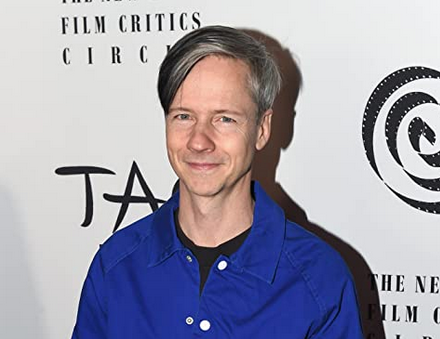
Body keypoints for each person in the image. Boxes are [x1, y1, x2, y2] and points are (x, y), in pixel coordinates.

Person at [71, 25, 363, 338]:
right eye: (183, 116)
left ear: (262, 129)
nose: (199, 141)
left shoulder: (319, 279)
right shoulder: (115, 266)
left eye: (224, 118)